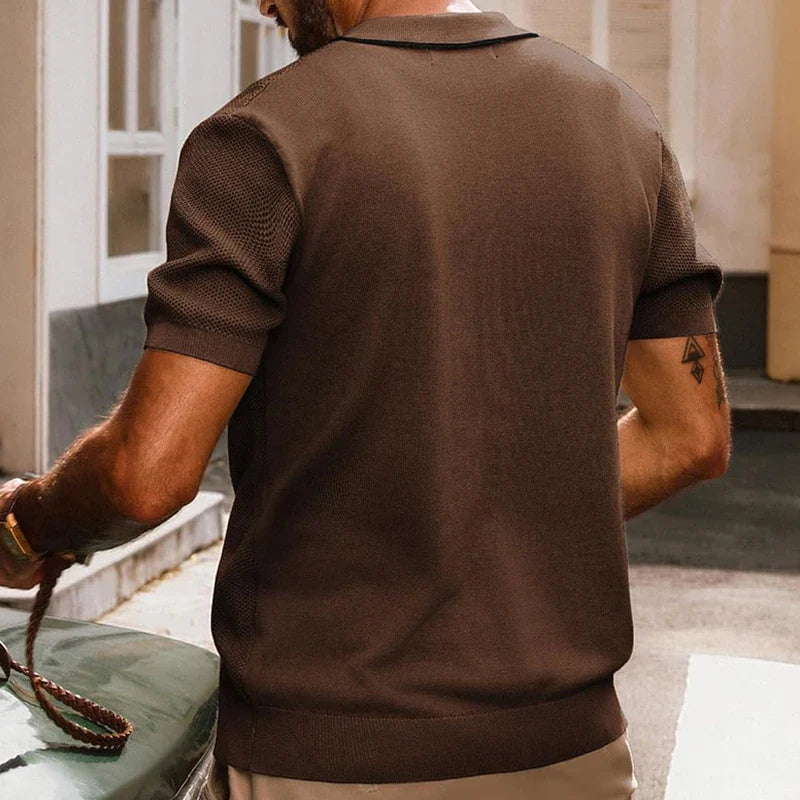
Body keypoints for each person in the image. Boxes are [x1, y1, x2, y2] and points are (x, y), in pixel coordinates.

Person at [0, 0, 732, 797]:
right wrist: (493, 515)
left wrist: (25, 525)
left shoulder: (264, 138)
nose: (265, 4)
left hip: (327, 760)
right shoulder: (623, 123)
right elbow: (691, 436)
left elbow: (146, 473)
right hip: (577, 759)